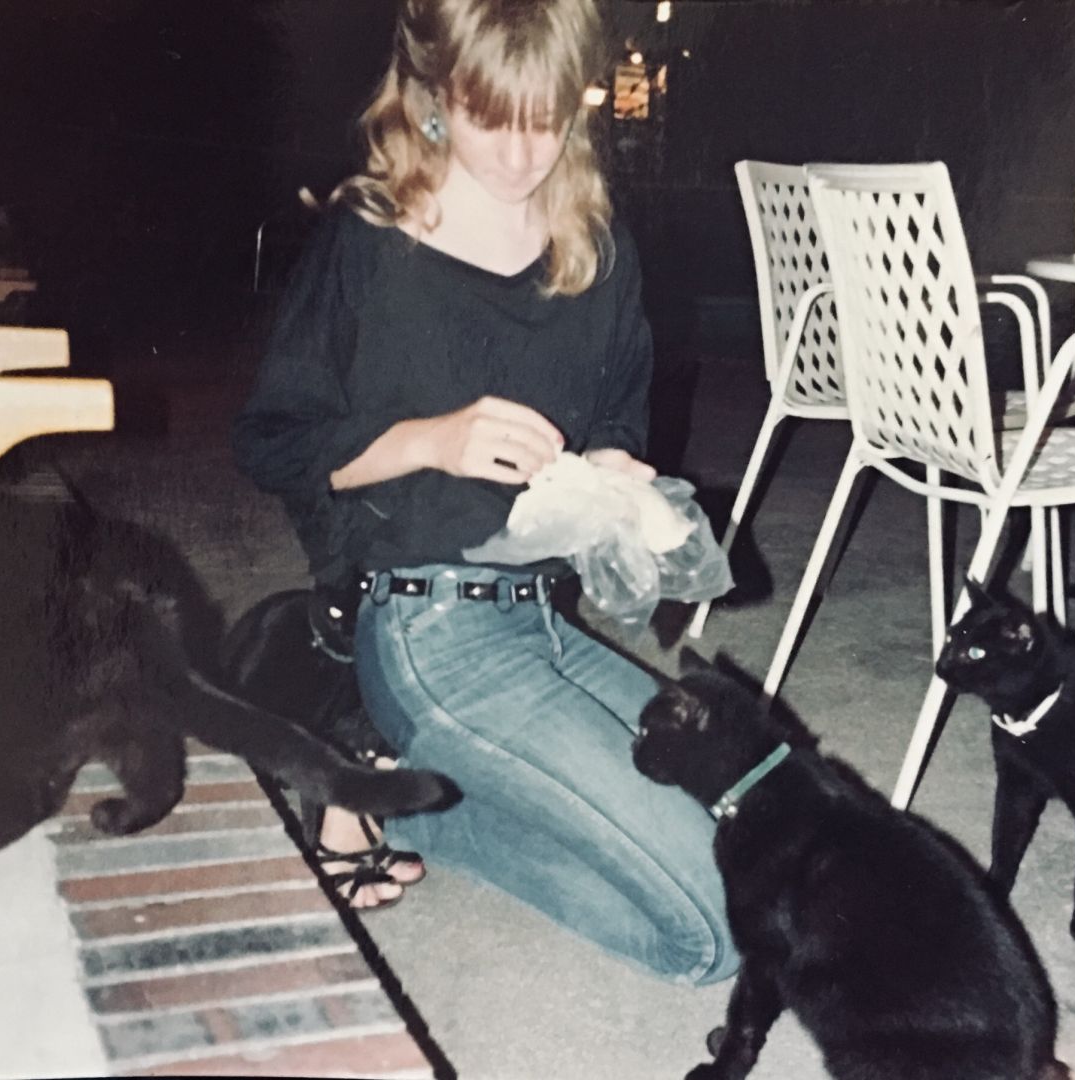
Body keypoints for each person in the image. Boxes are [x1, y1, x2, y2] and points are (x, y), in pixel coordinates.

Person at [232, 0, 736, 985]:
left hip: (544, 620)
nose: (517, 152)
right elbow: (270, 442)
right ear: (434, 99)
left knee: (761, 824)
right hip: (424, 634)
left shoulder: (594, 245)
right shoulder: (371, 240)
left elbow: (619, 422)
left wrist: (619, 476)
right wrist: (431, 439)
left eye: (544, 118)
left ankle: (423, 789)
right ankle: (393, 787)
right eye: (488, 116)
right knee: (714, 935)